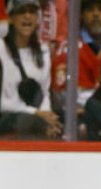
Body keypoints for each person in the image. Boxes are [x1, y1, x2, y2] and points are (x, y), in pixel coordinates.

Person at [50, 0, 101, 107]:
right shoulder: (68, 50)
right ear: (81, 15)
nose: (96, 14)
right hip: (80, 115)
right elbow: (61, 94)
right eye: (90, 10)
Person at [0, 0, 60, 138]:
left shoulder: (43, 51)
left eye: (32, 12)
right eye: (22, 12)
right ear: (11, 18)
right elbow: (2, 102)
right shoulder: (1, 49)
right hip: (6, 116)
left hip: (34, 116)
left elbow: (44, 93)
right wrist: (36, 113)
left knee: (62, 123)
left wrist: (48, 117)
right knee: (29, 121)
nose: (27, 16)